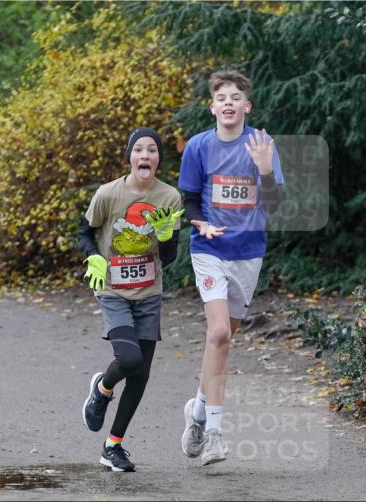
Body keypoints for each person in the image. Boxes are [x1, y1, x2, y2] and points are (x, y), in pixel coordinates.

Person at [178, 70, 283, 466]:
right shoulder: (198, 146)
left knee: (221, 342)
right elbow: (189, 198)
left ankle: (198, 412)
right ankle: (216, 436)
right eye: (221, 97)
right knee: (218, 331)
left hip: (248, 252)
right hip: (209, 249)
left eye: (235, 97)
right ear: (212, 106)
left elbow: (274, 207)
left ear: (246, 106)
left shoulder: (262, 144)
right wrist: (199, 222)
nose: (228, 103)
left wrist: (266, 169)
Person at [78, 127, 184, 472]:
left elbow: (168, 257)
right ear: (130, 156)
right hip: (113, 290)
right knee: (129, 357)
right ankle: (103, 387)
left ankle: (113, 446)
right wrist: (93, 255)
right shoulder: (108, 194)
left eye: (151, 150)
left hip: (149, 293)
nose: (145, 155)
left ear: (157, 159)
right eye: (138, 149)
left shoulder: (169, 197)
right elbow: (84, 231)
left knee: (140, 375)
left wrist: (167, 237)